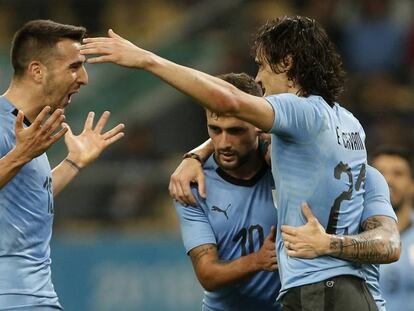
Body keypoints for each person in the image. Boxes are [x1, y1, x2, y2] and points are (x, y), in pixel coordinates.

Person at [81, 15, 379, 310]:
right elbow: (252, 132)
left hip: (319, 289)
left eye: (262, 65)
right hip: (347, 286)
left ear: (287, 63)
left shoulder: (300, 112)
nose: (259, 78)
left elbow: (230, 102)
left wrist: (147, 60)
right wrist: (197, 153)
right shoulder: (348, 123)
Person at [0, 20, 125, 310]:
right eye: (74, 66)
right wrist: (20, 155)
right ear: (37, 71)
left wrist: (73, 163)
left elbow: (26, 199)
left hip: (35, 298)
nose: (84, 78)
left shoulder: (29, 133)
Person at [175, 73, 280, 311]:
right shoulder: (192, 185)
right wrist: (258, 260)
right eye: (215, 129)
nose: (223, 143)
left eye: (236, 131)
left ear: (258, 125)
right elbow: (208, 275)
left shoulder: (284, 167)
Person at [372, 146, 414, 311]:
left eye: (398, 173)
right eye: (380, 173)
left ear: (412, 185)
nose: (388, 180)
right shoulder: (350, 234)